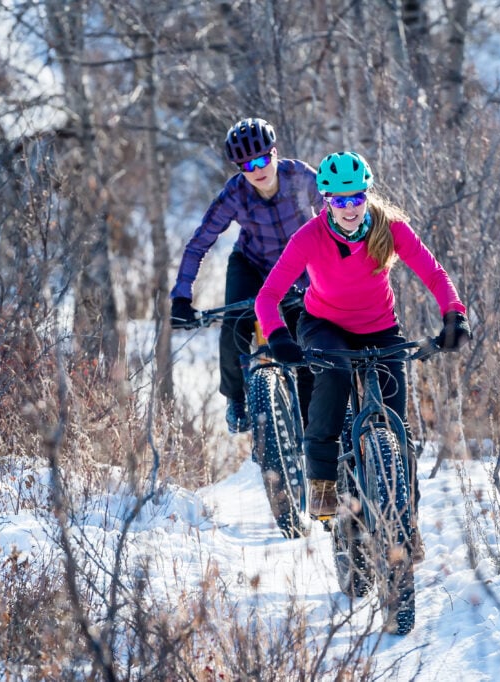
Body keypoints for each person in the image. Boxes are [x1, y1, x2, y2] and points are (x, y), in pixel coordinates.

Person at [254, 150, 472, 529]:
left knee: (396, 428)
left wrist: (454, 314)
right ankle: (322, 480)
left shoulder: (391, 229)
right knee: (335, 374)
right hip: (324, 325)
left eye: (357, 197)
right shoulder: (310, 237)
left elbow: (435, 275)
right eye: (340, 201)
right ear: (326, 201)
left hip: (380, 328)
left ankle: (407, 527)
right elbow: (267, 297)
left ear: (367, 194)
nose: (350, 207)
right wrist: (278, 338)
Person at [170, 117, 322, 433]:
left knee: (305, 339)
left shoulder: (300, 176)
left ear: (275, 152)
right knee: (235, 322)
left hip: (300, 269)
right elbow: (200, 242)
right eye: (247, 165)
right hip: (252, 265)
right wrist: (182, 295)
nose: (258, 169)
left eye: (264, 159)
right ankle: (236, 399)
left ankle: (313, 423)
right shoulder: (235, 194)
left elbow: (335, 216)